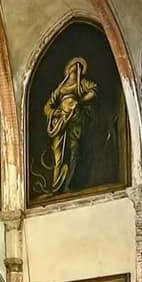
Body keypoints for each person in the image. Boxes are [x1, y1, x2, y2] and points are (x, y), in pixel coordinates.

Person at [42, 57, 97, 193]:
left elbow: (94, 90)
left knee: (73, 151)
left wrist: (80, 102)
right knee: (58, 154)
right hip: (60, 120)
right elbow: (48, 106)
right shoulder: (61, 87)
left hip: (74, 118)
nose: (75, 65)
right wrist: (54, 112)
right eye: (73, 64)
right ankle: (56, 186)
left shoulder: (82, 83)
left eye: (78, 65)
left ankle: (68, 184)